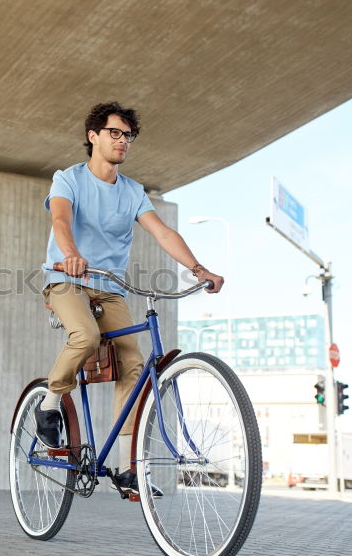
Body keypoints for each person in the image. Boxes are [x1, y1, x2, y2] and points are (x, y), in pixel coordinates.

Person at [37, 101, 224, 494]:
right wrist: (69, 253)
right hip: (66, 278)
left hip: (111, 287)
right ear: (94, 136)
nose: (123, 142)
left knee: (134, 363)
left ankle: (126, 467)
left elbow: (163, 234)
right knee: (85, 336)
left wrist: (198, 269)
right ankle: (51, 403)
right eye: (115, 133)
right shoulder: (68, 179)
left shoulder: (133, 191)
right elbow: (60, 219)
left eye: (128, 136)